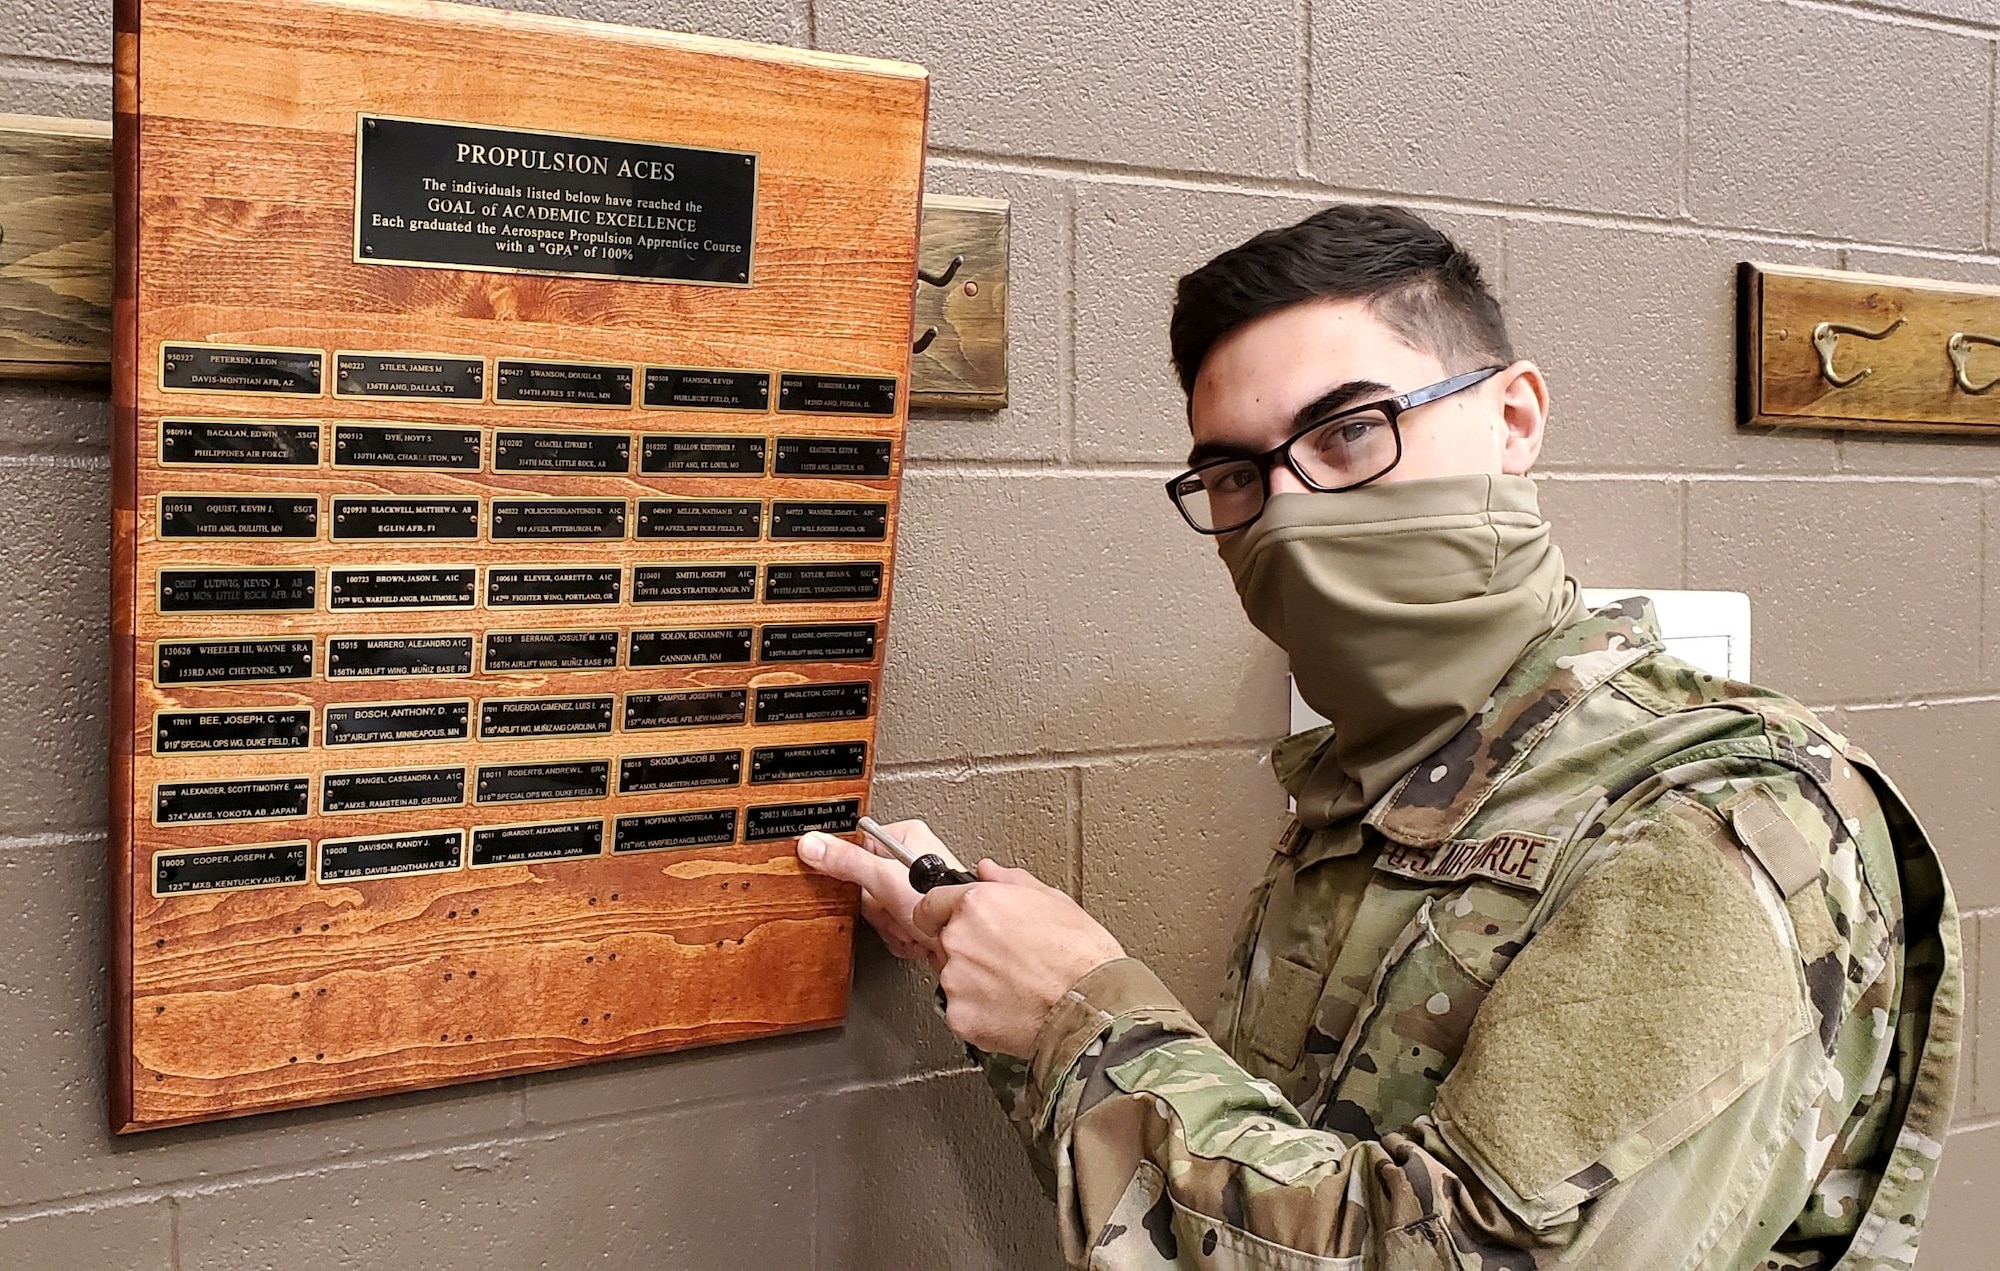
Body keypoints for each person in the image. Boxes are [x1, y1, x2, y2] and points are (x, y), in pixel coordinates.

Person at [795, 204, 1963, 1270]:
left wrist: (1076, 1010)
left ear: (1511, 418)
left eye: (1350, 431)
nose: (1291, 513)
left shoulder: (1706, 822)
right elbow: (1296, 1166)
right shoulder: (1385, 786)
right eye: (1236, 473)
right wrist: (983, 956)